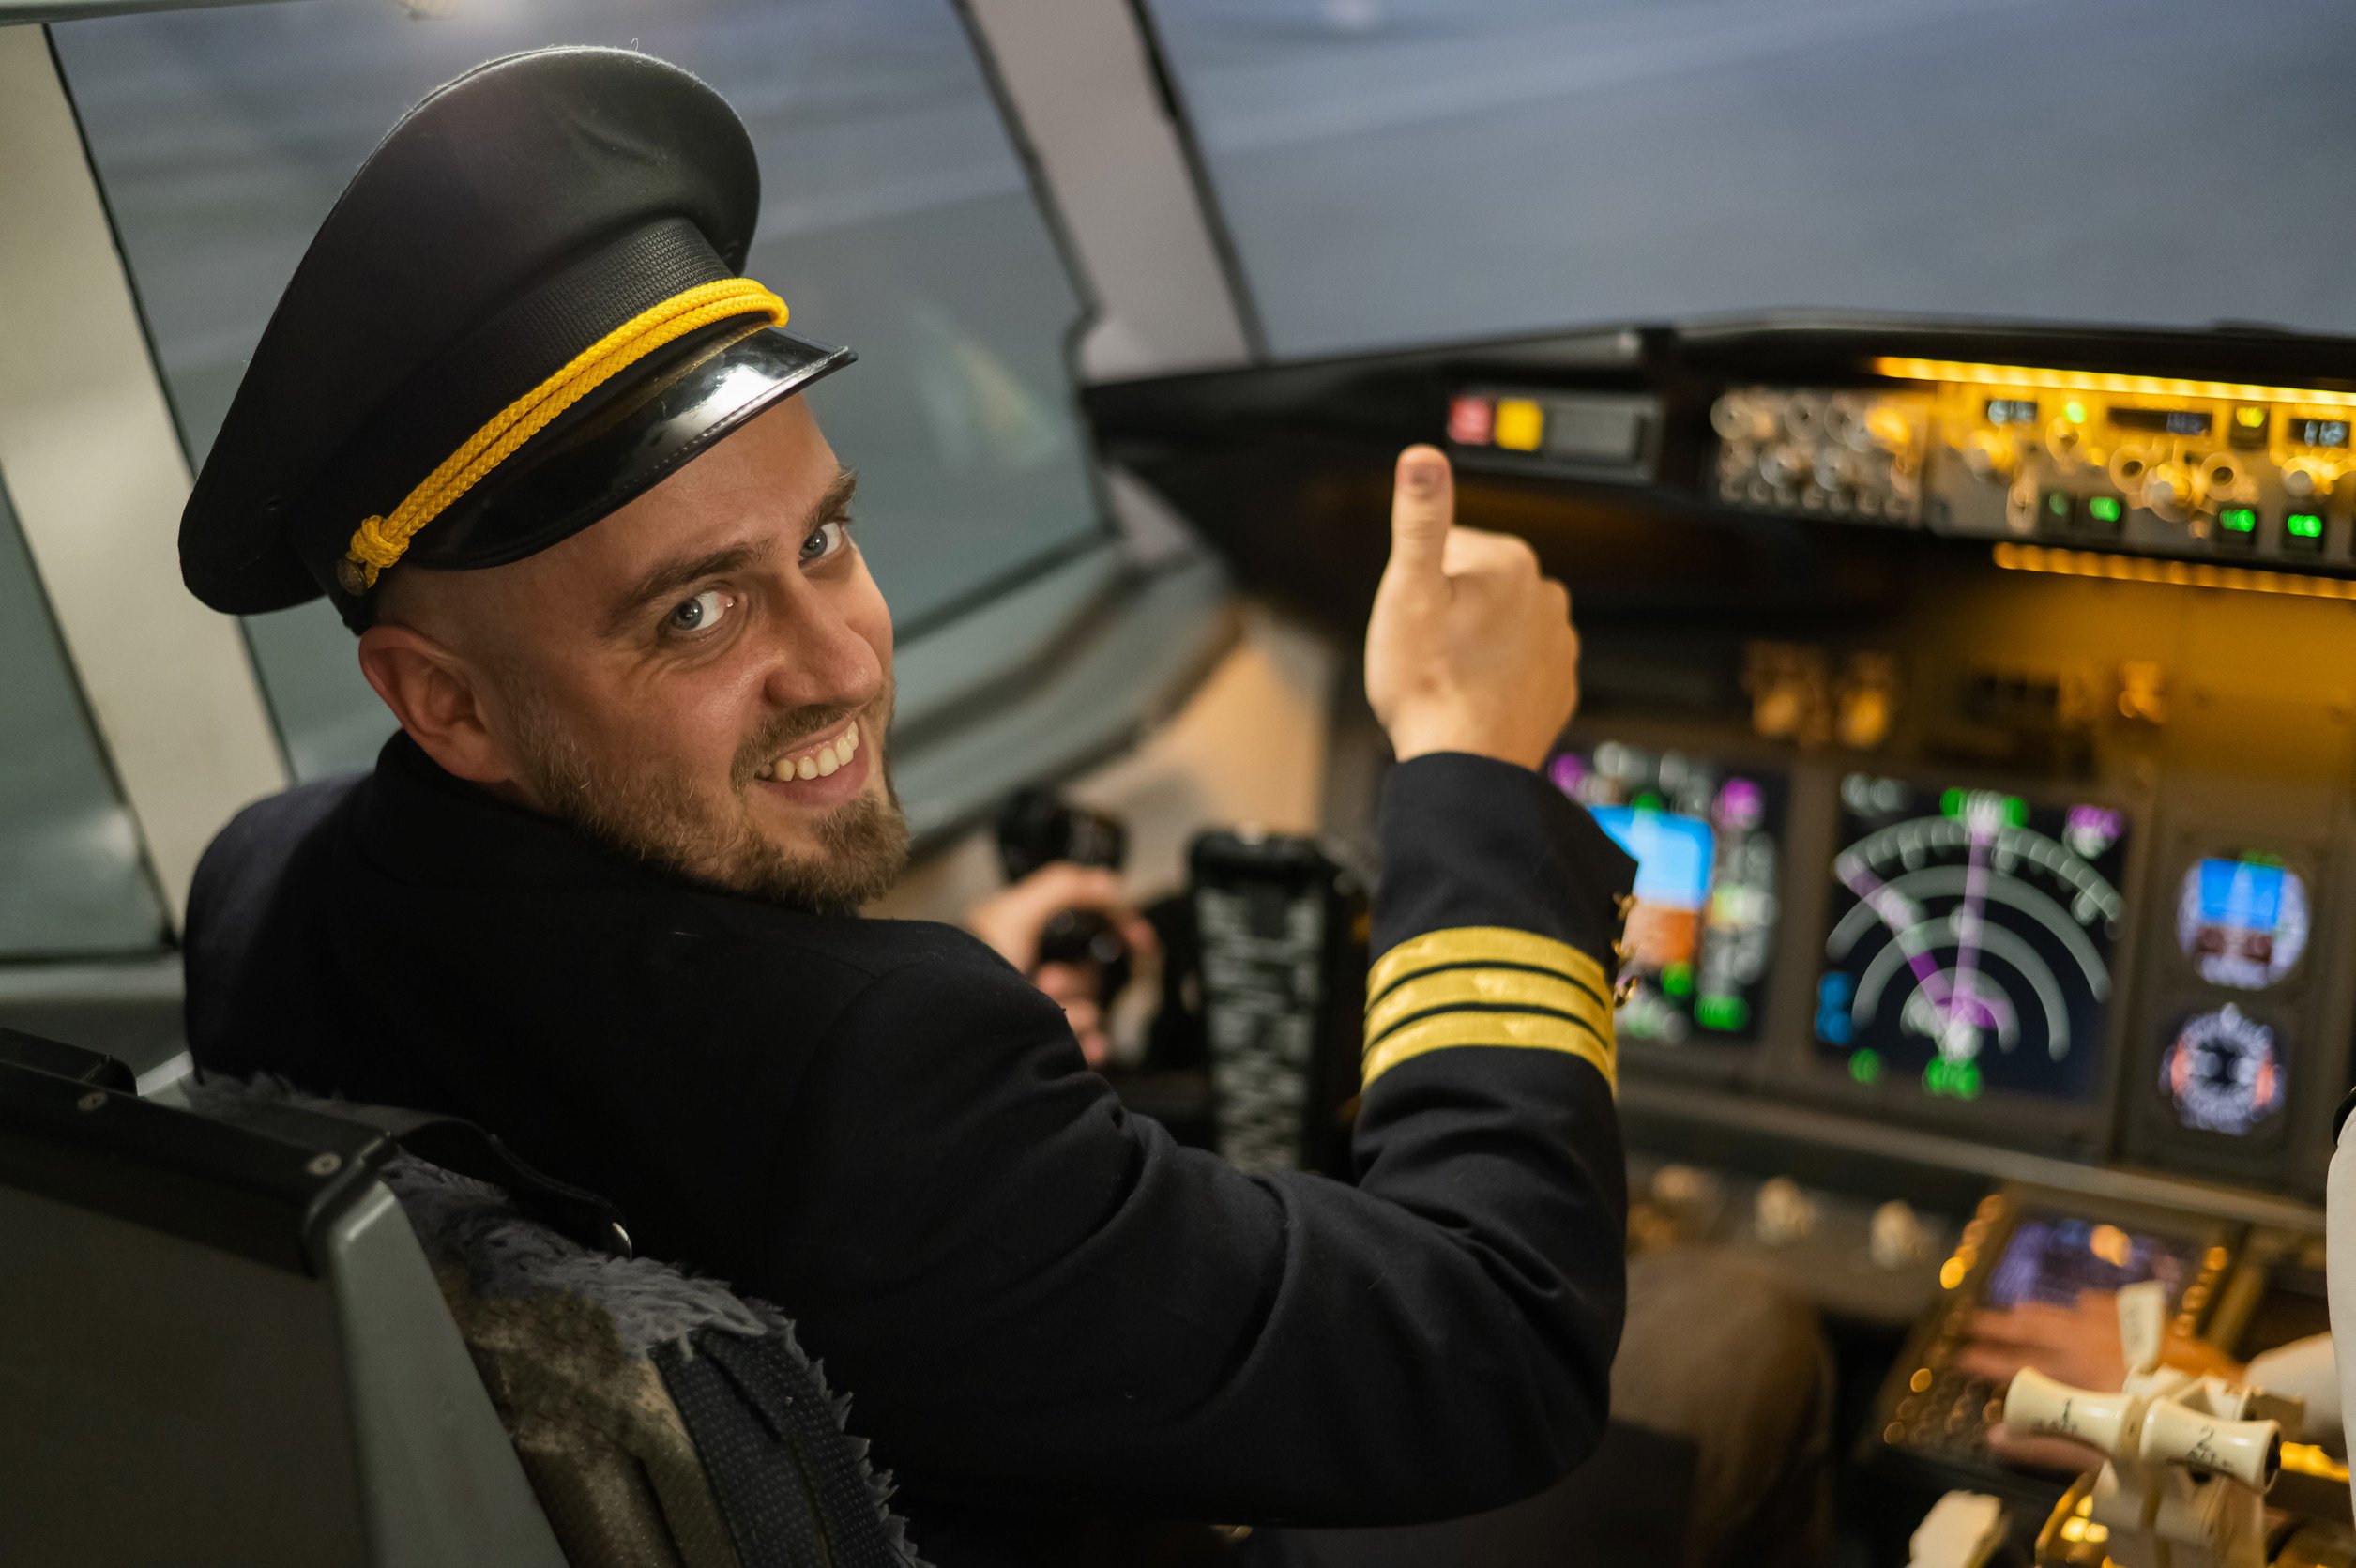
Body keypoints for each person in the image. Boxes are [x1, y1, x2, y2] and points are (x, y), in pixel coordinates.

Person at [175, 48, 1637, 1566]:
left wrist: (955, 1008)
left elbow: (641, 1056)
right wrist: (1468, 757)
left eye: (824, 536)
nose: (839, 661)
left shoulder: (261, 889)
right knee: (1733, 1354)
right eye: (694, 616)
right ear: (447, 701)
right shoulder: (866, 1087)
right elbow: (1497, 1337)